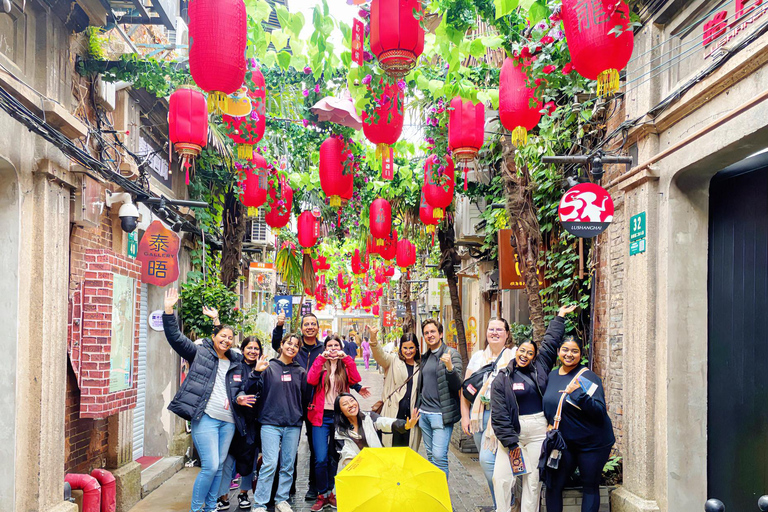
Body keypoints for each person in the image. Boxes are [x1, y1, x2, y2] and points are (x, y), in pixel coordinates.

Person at [161, 289, 256, 512]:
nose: (226, 340)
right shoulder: (200, 353)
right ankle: (197, 509)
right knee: (211, 465)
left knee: (220, 466)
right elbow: (176, 338)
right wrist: (168, 310)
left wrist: (241, 397)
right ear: (213, 337)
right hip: (206, 418)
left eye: (230, 338)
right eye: (221, 336)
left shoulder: (236, 361)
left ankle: (210, 507)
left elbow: (240, 387)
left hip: (229, 421)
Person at [271, 312, 370, 502]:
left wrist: (347, 362)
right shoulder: (298, 348)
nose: (310, 327)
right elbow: (307, 374)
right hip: (301, 405)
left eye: (313, 324)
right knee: (306, 451)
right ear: (301, 328)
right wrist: (280, 326)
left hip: (330, 412)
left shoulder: (334, 357)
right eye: (306, 324)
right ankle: (293, 489)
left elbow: (354, 378)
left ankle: (320, 489)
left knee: (328, 454)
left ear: (317, 328)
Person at [490, 305, 576, 512]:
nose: (525, 355)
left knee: (533, 482)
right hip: (513, 433)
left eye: (530, 353)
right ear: (515, 351)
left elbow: (550, 342)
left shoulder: (540, 368)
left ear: (534, 356)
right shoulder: (502, 378)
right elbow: (499, 414)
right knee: (500, 479)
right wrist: (511, 444)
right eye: (522, 351)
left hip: (538, 431)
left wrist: (560, 316)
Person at [541, 326, 615, 512]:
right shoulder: (552, 375)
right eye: (565, 349)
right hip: (566, 444)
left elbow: (599, 411)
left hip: (593, 444)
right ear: (558, 352)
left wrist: (579, 394)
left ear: (580, 354)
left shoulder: (586, 377)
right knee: (553, 485)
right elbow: (550, 403)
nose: (569, 354)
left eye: (575, 351)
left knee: (589, 486)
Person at [459, 318, 517, 509]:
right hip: (479, 417)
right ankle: (500, 503)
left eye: (499, 329)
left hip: (501, 416)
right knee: (488, 465)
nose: (495, 332)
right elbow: (465, 389)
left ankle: (504, 504)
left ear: (507, 334)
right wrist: (465, 416)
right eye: (491, 328)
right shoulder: (477, 358)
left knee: (486, 460)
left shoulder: (514, 355)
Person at [246, 333, 306, 512]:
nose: (292, 347)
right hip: (270, 422)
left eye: (296, 345)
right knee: (270, 463)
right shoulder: (268, 367)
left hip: (292, 424)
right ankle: (260, 503)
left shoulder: (300, 371)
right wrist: (256, 372)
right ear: (281, 344)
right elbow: (250, 390)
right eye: (289, 343)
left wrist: (298, 415)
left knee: (288, 465)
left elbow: (304, 397)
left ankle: (281, 499)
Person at [306, 335, 362, 511]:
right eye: (329, 345)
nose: (332, 348)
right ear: (325, 347)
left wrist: (346, 358)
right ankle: (321, 494)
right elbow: (310, 380)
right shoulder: (320, 362)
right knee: (320, 458)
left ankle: (333, 493)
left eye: (336, 345)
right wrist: (321, 358)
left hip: (340, 417)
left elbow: (355, 379)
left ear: (341, 347)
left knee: (334, 457)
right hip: (320, 417)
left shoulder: (345, 364)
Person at [217, 335, 263, 511]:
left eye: (256, 348)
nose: (252, 351)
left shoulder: (264, 368)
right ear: (242, 349)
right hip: (233, 419)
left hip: (253, 422)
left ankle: (244, 493)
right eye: (249, 348)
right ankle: (223, 496)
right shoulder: (234, 365)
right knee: (228, 459)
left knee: (249, 459)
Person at [415, 318, 463, 478]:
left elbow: (458, 385)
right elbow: (421, 387)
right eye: (426, 333)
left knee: (439, 457)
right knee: (430, 458)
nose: (430, 335)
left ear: (441, 334)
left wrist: (450, 367)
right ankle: (434, 495)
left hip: (441, 416)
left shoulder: (451, 354)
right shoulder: (425, 357)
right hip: (424, 415)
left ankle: (442, 500)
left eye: (433, 331)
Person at [334, 393, 420, 471]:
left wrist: (405, 425)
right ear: (340, 411)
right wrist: (365, 465)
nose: (351, 405)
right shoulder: (340, 432)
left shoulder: (368, 417)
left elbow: (384, 422)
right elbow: (347, 456)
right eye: (345, 404)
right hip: (356, 470)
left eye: (352, 400)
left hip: (378, 465)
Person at [369, 328, 422, 449]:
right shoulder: (392, 360)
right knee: (391, 447)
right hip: (393, 411)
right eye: (405, 348)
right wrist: (373, 339)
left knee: (408, 449)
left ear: (416, 348)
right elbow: (379, 355)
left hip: (411, 414)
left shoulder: (420, 365)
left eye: (411, 348)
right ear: (400, 348)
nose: (408, 351)